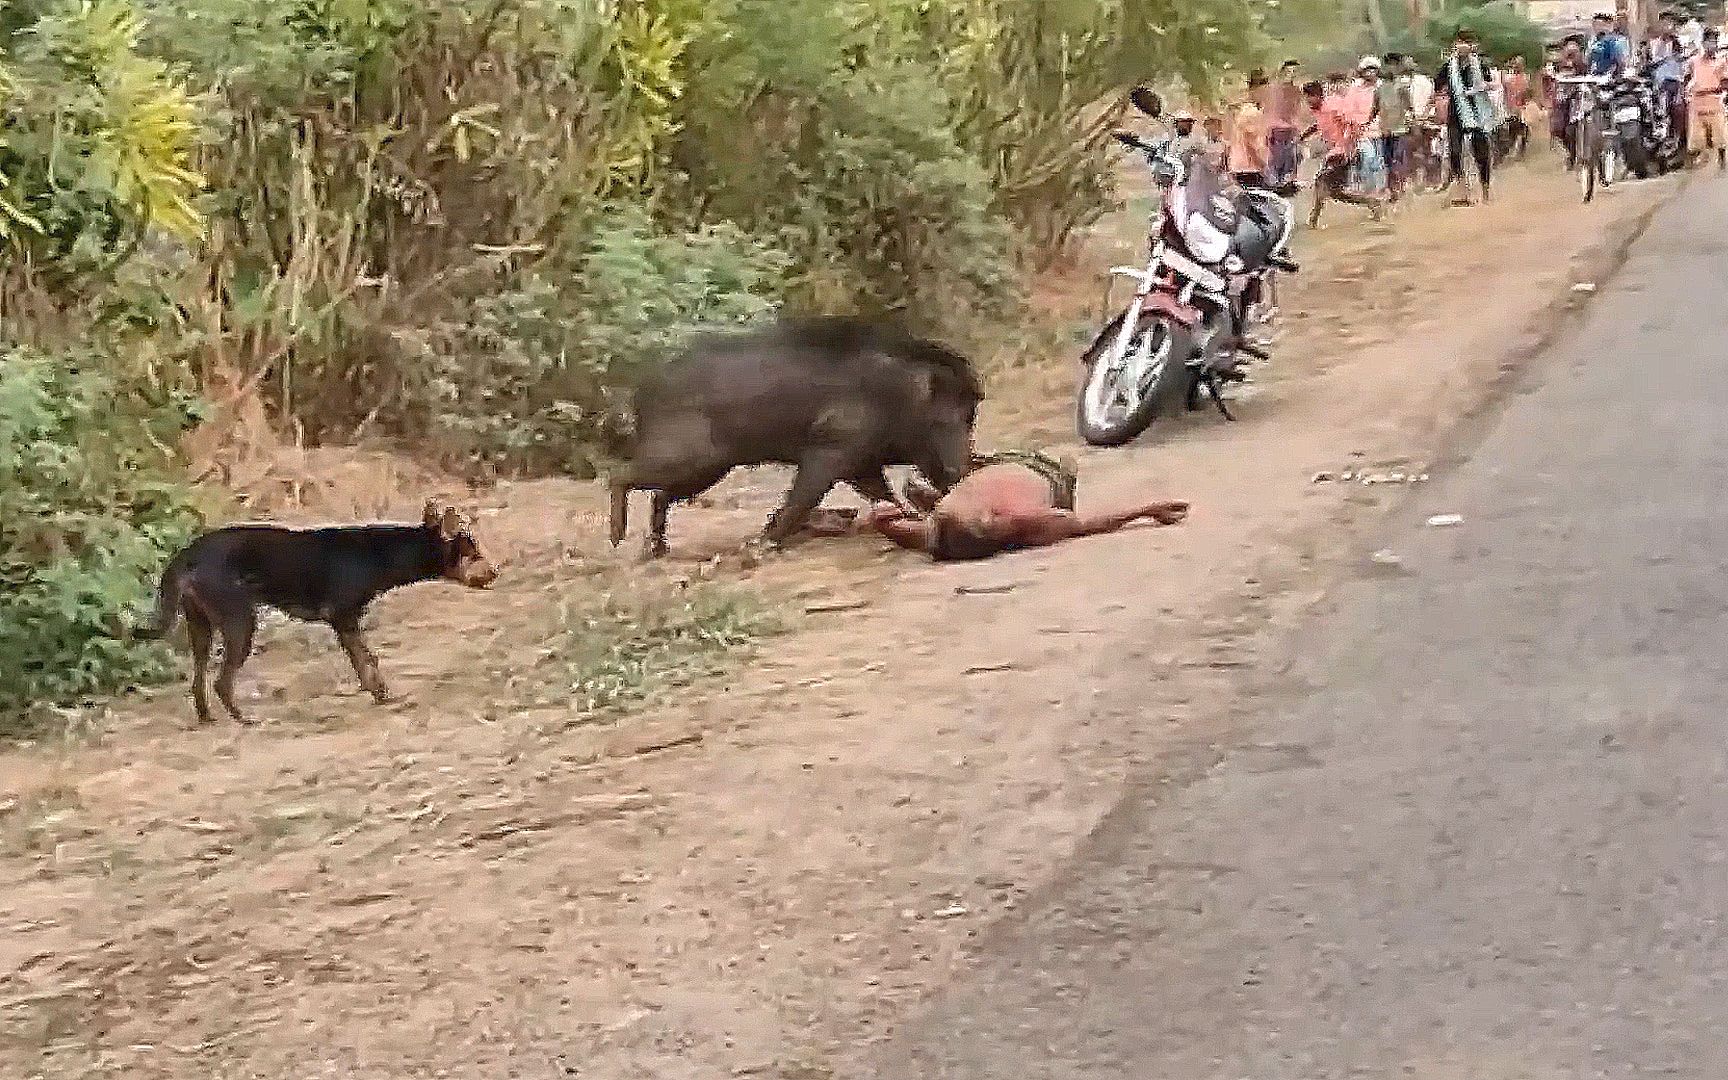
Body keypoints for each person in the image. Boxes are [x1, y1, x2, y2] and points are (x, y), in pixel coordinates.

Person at [861, 452, 1190, 562]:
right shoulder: (1019, 522)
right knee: (1066, 469)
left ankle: (932, 493)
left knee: (920, 492)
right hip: (1045, 471)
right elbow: (1085, 524)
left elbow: (898, 527)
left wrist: (883, 519)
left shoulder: (944, 526)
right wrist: (1146, 510)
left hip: (998, 467)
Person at [1302, 78, 1385, 227]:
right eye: (1306, 96)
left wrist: (1351, 146)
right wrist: (1305, 135)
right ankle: (1371, 202)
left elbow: (1351, 123)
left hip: (1342, 152)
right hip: (1333, 152)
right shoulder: (1318, 110)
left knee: (1321, 182)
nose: (1308, 100)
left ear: (1319, 95)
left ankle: (1313, 219)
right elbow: (1320, 124)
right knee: (1335, 192)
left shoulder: (1333, 107)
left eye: (1310, 96)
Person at [1436, 28, 1497, 204]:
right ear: (1455, 45)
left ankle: (1485, 188)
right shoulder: (1449, 67)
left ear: (1473, 46)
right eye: (1460, 42)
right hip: (1456, 113)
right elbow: (1438, 85)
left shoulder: (1479, 65)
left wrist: (1482, 87)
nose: (1463, 46)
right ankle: (1462, 189)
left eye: (1467, 42)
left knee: (1481, 152)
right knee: (1455, 151)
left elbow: (1490, 83)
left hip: (1477, 113)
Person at [1375, 53, 1417, 201]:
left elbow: (1409, 107)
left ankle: (1400, 187)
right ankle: (1391, 189)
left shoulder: (1402, 88)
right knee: (1387, 160)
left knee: (1398, 159)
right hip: (1385, 130)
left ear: (1398, 67)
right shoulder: (1380, 89)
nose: (1391, 68)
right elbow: (1375, 108)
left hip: (1400, 129)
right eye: (1388, 65)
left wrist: (1410, 122)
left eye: (1394, 65)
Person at [1688, 29, 1728, 168]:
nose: (1712, 44)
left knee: (1719, 132)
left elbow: (1725, 80)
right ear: (1703, 43)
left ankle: (1722, 159)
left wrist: (1724, 91)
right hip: (1698, 99)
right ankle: (1694, 162)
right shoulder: (1694, 61)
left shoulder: (1721, 62)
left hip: (1714, 98)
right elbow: (1688, 77)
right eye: (1709, 41)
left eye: (1714, 41)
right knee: (1697, 135)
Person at [1229, 72, 1272, 189]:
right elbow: (1247, 142)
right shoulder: (1251, 112)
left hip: (1245, 168)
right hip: (1249, 169)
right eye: (1264, 90)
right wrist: (1261, 165)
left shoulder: (1253, 110)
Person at [1267, 59, 1305, 186]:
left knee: (1291, 158)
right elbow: (1270, 109)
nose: (1291, 74)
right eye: (1289, 72)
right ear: (1283, 72)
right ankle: (1277, 181)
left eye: (1294, 72)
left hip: (1290, 128)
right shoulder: (1274, 90)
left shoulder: (1296, 91)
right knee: (1277, 159)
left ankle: (1286, 181)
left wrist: (1297, 127)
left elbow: (1297, 111)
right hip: (1276, 129)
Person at [1587, 11, 1631, 77]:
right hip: (1596, 76)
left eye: (1600, 25)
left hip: (1612, 77)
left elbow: (1622, 63)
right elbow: (1589, 61)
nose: (1597, 28)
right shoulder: (1593, 41)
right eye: (1595, 25)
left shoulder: (1618, 41)